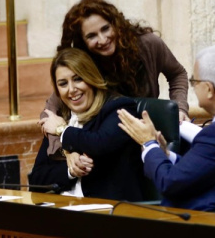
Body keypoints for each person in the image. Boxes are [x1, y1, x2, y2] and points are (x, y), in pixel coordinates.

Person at [117, 44, 215, 212]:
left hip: (209, 225)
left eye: (194, 81)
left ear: (209, 89)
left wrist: (148, 143)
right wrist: (165, 154)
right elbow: (200, 169)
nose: (192, 86)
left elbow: (169, 183)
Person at [42, 0, 189, 157]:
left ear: (116, 24)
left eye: (105, 29)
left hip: (146, 136)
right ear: (82, 41)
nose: (103, 39)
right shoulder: (85, 62)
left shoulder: (148, 44)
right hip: (107, 144)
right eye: (92, 36)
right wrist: (65, 151)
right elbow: (50, 111)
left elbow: (177, 74)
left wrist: (180, 108)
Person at [30, 48, 147, 201]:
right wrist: (70, 170)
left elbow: (100, 143)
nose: (72, 90)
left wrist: (62, 130)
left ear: (91, 77)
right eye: (63, 84)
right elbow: (36, 180)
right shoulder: (62, 117)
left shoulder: (119, 107)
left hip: (109, 212)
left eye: (78, 79)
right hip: (64, 209)